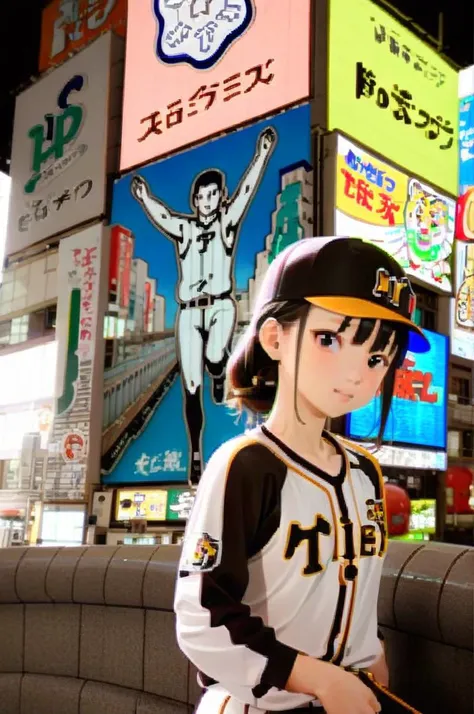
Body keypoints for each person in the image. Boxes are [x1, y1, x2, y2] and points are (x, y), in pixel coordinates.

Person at [174, 236, 428, 714]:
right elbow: (201, 615)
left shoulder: (365, 472)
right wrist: (322, 680)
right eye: (330, 339)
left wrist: (371, 656)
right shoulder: (247, 464)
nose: (357, 373)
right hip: (260, 705)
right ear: (274, 338)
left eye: (377, 357)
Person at [131, 127, 276, 484]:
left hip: (221, 305)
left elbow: (245, 192)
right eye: (203, 196)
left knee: (215, 357)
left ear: (220, 197)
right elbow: (163, 216)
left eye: (214, 194)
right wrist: (144, 196)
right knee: (190, 384)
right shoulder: (185, 229)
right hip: (189, 311)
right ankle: (195, 451)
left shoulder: (227, 223)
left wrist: (261, 154)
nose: (209, 200)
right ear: (196, 201)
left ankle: (218, 369)